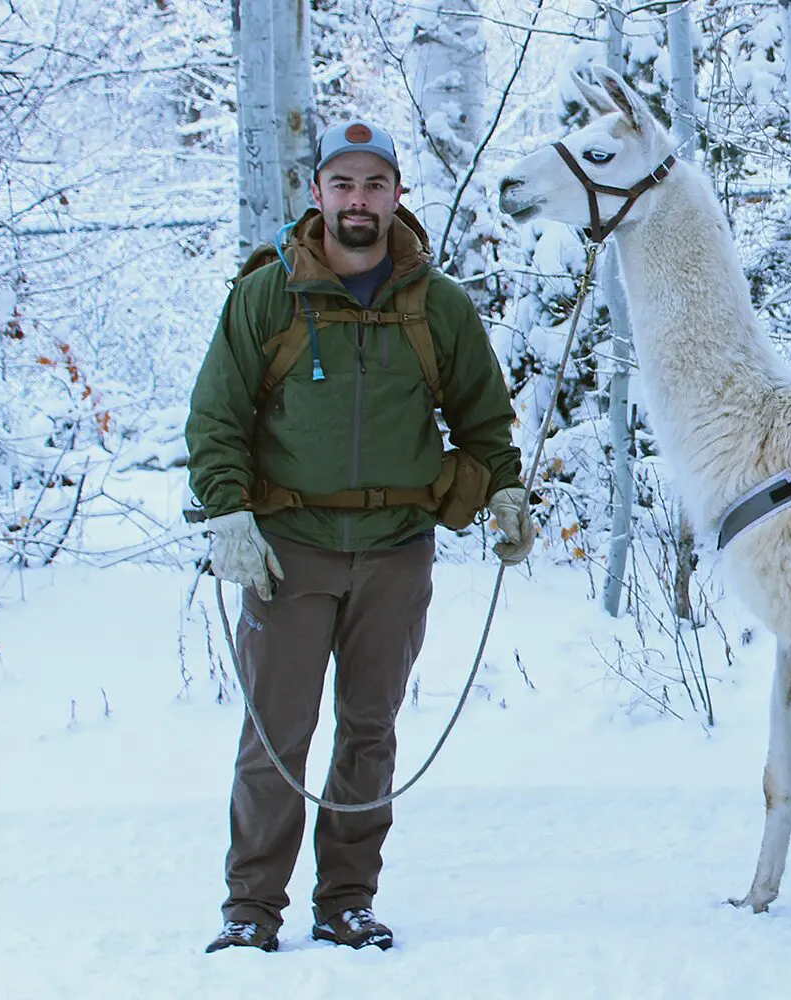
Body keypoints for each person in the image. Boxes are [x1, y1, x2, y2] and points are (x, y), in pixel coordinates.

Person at [186, 121, 535, 953]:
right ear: (317, 195)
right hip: (288, 549)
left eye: (373, 185)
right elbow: (216, 417)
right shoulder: (266, 297)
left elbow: (484, 419)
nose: (357, 200)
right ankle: (251, 909)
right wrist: (227, 510)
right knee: (276, 732)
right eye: (342, 184)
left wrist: (507, 491)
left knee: (370, 730)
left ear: (396, 196)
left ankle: (346, 899)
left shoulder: (438, 306)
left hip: (396, 548)